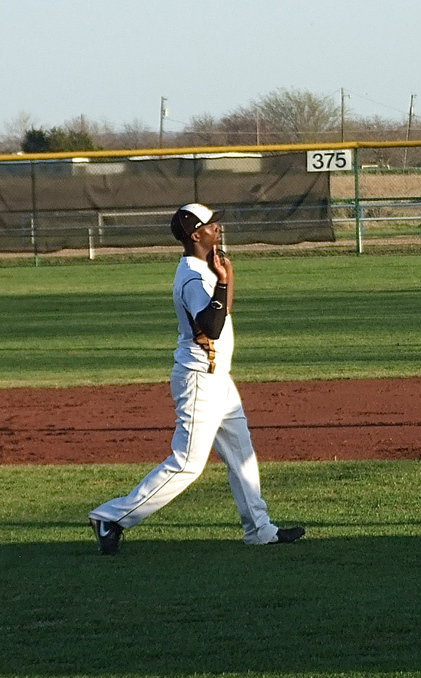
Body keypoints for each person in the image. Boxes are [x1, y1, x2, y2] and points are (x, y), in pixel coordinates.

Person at [88, 203, 305, 554]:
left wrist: (226, 279)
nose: (216, 227)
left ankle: (259, 529)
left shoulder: (204, 267)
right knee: (187, 464)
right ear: (195, 235)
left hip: (219, 379)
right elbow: (212, 327)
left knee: (241, 454)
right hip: (199, 380)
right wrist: (221, 282)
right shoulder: (191, 275)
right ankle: (111, 517)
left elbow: (224, 311)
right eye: (210, 224)